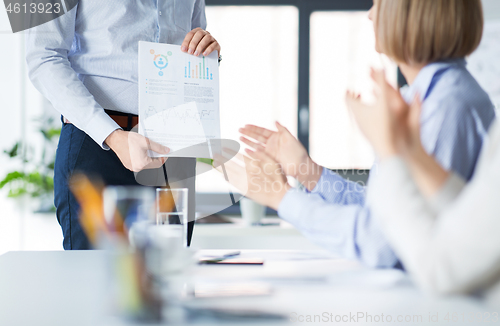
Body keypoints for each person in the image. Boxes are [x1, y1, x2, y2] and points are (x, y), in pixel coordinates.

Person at [222, 0, 495, 268]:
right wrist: (307, 171)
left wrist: (280, 197)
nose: (370, 15)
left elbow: (384, 242)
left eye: (379, 3)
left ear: (410, 14)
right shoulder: (432, 97)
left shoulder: (446, 106)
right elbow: (385, 211)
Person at [25, 0, 221, 249]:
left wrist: (206, 48)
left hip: (173, 151)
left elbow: (192, 46)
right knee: (93, 280)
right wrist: (113, 136)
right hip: (97, 147)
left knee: (168, 278)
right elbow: (42, 56)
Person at [347, 69, 500, 306]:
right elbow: (478, 224)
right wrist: (412, 150)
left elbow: (442, 268)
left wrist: (387, 150)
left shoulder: (452, 100)